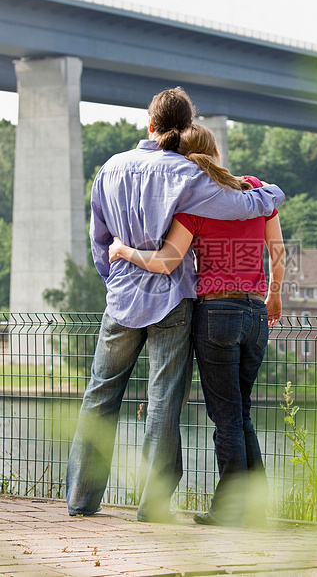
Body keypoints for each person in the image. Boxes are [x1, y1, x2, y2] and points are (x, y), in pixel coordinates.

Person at [66, 87, 285, 523]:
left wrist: (118, 280)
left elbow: (99, 241)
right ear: (184, 129)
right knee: (165, 399)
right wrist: (271, 195)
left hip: (122, 298)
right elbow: (241, 203)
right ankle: (153, 505)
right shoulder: (189, 176)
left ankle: (80, 498)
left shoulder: (109, 168)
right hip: (174, 301)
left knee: (99, 395)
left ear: (150, 125)